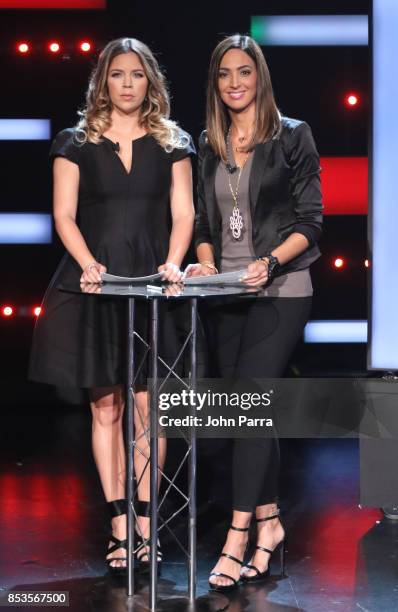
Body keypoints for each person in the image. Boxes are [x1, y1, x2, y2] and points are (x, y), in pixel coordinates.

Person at [29, 37, 195, 574]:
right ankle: (120, 525)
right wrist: (86, 263)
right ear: (104, 81)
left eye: (137, 75)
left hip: (153, 285)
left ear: (151, 82)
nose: (127, 84)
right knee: (107, 408)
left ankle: (148, 523)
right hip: (96, 288)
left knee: (151, 412)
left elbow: (185, 214)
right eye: (118, 74)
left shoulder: (174, 142)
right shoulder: (74, 141)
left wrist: (174, 262)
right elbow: (64, 215)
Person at [187, 34, 322, 591]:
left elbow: (311, 223)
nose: (234, 83)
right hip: (224, 294)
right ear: (215, 83)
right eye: (224, 74)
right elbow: (201, 223)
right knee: (246, 414)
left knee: (246, 405)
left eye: (244, 72)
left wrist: (266, 263)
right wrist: (203, 265)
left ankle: (237, 534)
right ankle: (269, 522)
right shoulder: (209, 140)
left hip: (281, 289)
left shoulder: (293, 136)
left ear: (260, 77)